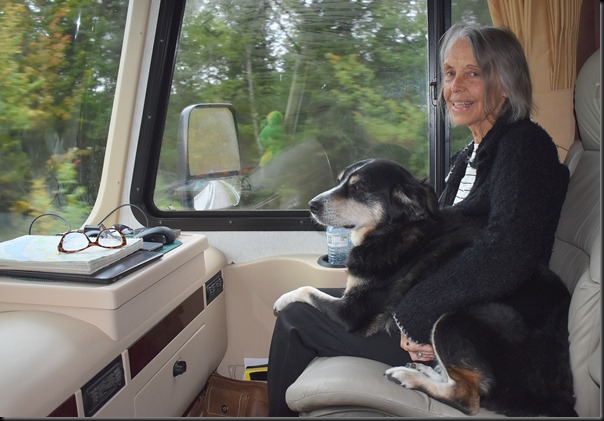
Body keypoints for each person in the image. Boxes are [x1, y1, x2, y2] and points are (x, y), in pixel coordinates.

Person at [267, 22, 570, 417]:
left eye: (473, 73)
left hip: (489, 334)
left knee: (295, 318)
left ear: (506, 82)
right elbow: (437, 239)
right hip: (451, 308)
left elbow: (508, 251)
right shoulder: (468, 157)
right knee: (318, 305)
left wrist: (415, 314)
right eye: (449, 73)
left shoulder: (524, 145)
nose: (455, 86)